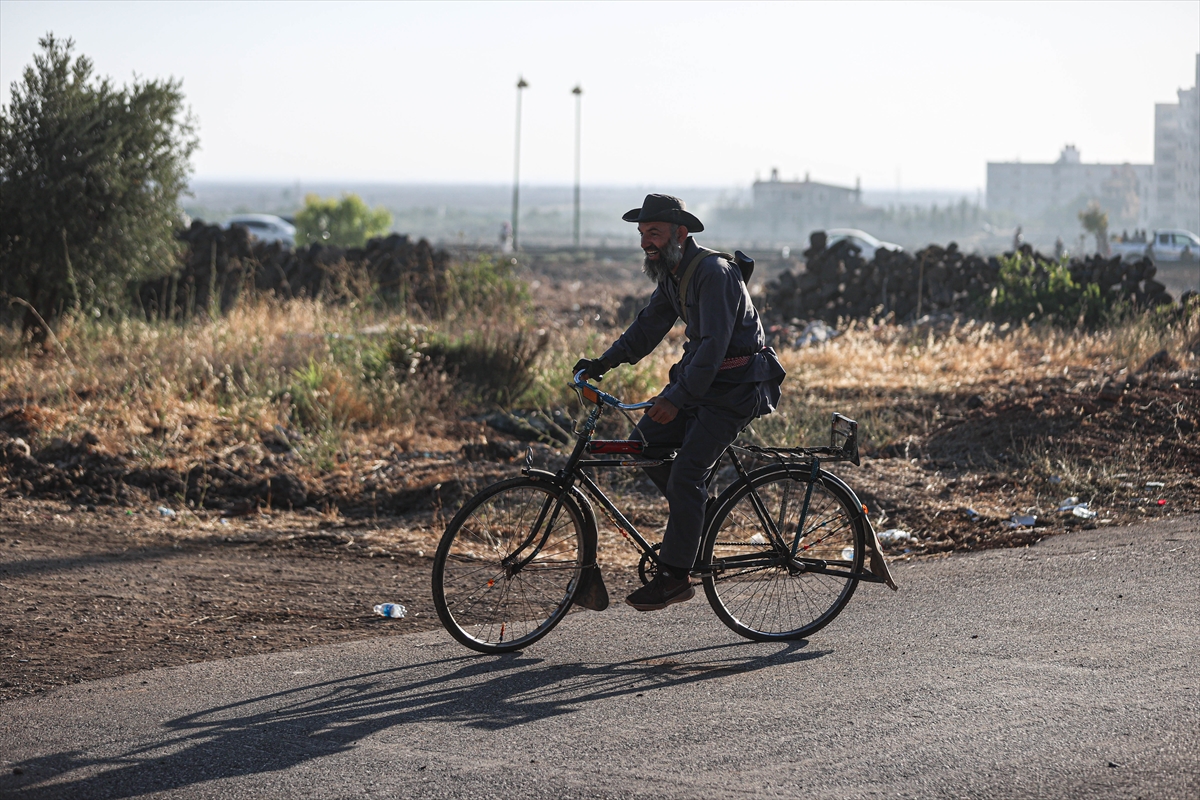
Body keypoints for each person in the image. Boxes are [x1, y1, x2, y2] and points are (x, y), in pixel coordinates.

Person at [573, 194, 786, 611]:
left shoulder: (714, 272)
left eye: (653, 233)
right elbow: (648, 326)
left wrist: (676, 398)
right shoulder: (673, 273)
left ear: (679, 233)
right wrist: (603, 363)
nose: (644, 243)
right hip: (703, 383)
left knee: (685, 474)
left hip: (735, 388)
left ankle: (675, 577)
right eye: (641, 234)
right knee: (644, 445)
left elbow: (713, 345)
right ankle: (696, 517)